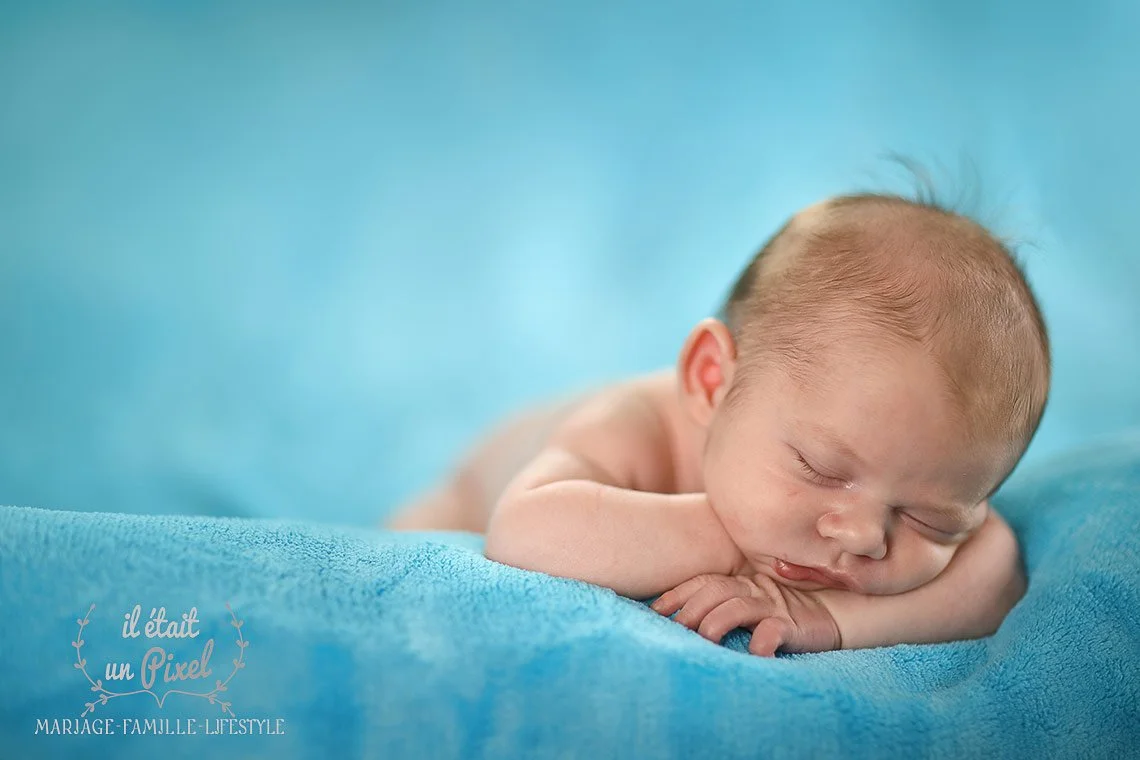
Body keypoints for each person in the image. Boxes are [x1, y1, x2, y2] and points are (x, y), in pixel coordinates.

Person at [387, 192, 1048, 657]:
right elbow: (524, 528)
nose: (865, 537)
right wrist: (729, 537)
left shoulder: (900, 490)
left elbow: (996, 573)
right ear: (713, 380)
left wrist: (827, 617)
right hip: (470, 492)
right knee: (400, 565)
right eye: (822, 470)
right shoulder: (635, 426)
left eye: (929, 520)